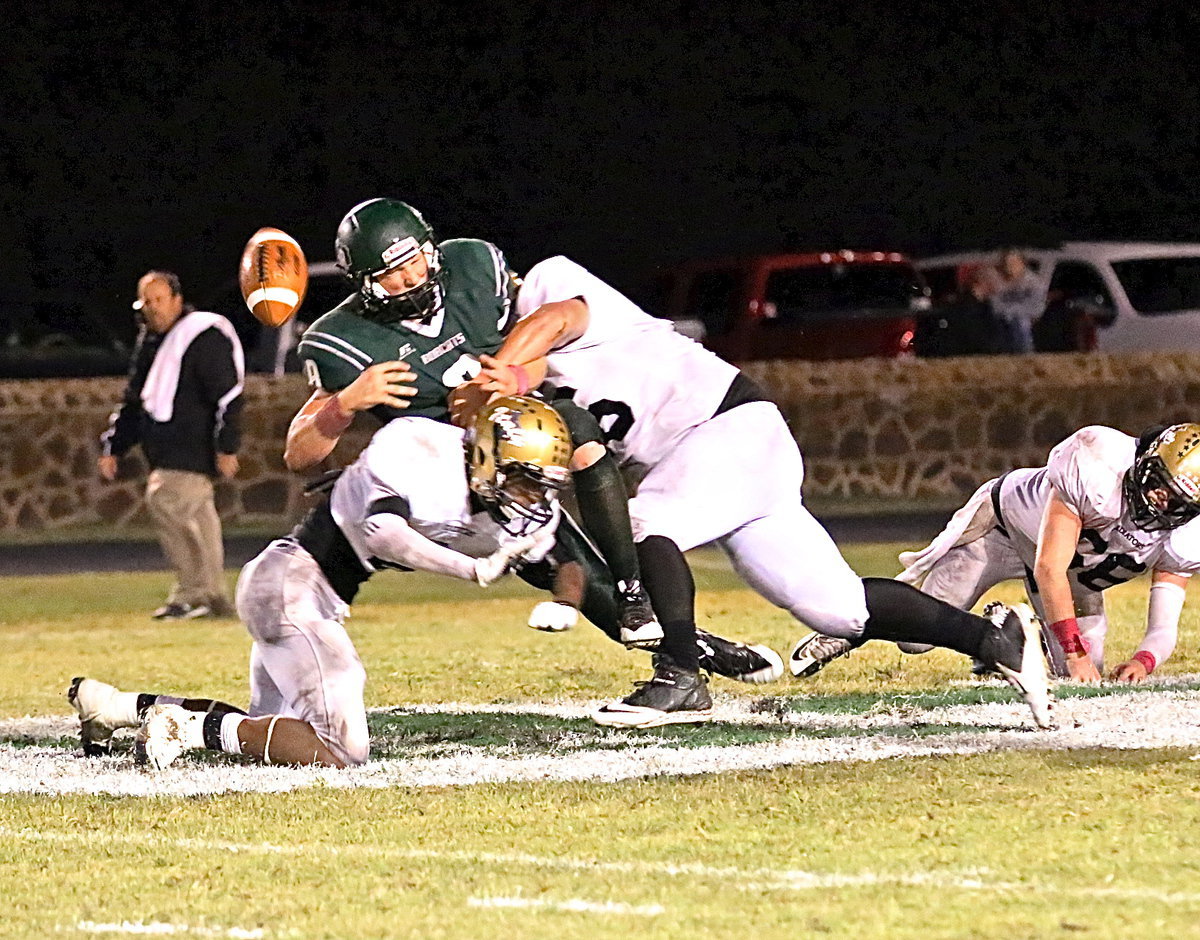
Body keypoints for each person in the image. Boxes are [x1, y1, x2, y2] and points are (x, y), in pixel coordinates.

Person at [450, 256, 1053, 729]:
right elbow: (535, 398)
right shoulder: (521, 371)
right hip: (731, 458)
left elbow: (553, 323)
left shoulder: (552, 289)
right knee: (838, 609)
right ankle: (993, 639)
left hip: (724, 426)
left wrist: (506, 370)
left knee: (647, 522)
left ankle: (681, 675)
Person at [69, 397, 784, 766]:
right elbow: (380, 532)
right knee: (339, 751)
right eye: (523, 478)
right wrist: (471, 568)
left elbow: (557, 559)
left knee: (271, 731)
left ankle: (117, 705)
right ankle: (183, 724)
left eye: (542, 484)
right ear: (485, 457)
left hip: (308, 594)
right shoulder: (416, 448)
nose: (534, 496)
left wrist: (569, 596)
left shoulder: (517, 509)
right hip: (292, 582)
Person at [284, 198, 662, 648]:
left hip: (519, 444)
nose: (411, 277)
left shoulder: (473, 266)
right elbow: (299, 455)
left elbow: (548, 346)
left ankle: (637, 594)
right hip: (451, 485)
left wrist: (514, 375)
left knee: (580, 434)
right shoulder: (342, 338)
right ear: (365, 284)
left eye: (416, 260)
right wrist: (343, 404)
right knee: (577, 577)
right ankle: (682, 653)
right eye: (392, 273)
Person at [791, 423, 1200, 684]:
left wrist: (1144, 661)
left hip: (1068, 573)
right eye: (1159, 483)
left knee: (1078, 675)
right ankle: (849, 621)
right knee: (914, 641)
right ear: (1146, 459)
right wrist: (1073, 651)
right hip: (1003, 528)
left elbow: (1163, 628)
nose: (1159, 503)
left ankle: (1004, 635)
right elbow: (1048, 566)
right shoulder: (1098, 468)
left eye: (1176, 503)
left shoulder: (1183, 536)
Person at [98, 270, 244, 620]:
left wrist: (227, 445)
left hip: (191, 449)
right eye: (145, 302)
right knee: (200, 520)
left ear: (178, 300)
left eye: (159, 300)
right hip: (165, 450)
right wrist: (114, 446)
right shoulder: (151, 341)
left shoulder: (203, 336)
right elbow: (136, 399)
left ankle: (194, 593)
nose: (152, 309)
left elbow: (230, 395)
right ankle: (212, 598)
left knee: (164, 499)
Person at [989, 249, 1047, 354]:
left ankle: (1025, 354)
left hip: (1025, 322)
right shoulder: (997, 282)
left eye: (1013, 263)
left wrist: (1011, 312)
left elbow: (1036, 308)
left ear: (1022, 264)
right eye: (1006, 264)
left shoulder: (1034, 283)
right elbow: (994, 305)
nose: (1009, 267)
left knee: (1020, 322)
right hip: (1001, 320)